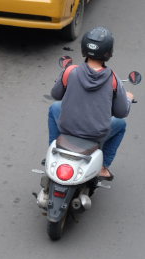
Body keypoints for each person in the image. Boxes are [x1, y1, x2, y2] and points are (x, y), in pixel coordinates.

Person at [48, 27, 134, 181]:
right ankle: (102, 167)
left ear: (83, 49)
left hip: (67, 128)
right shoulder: (114, 80)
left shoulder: (70, 72)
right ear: (108, 53)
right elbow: (121, 112)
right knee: (120, 124)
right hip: (96, 135)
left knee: (54, 108)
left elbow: (55, 95)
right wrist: (127, 98)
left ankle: (53, 152)